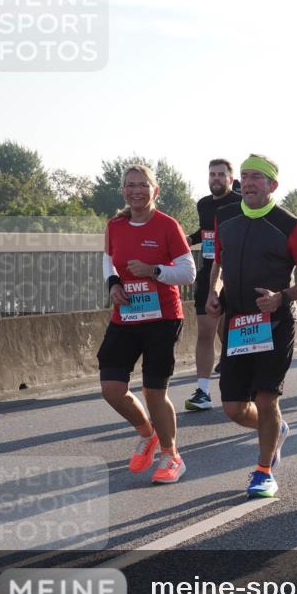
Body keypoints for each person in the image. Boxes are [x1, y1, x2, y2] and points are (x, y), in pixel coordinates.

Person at [206, 154, 297, 498]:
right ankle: (276, 429)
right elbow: (218, 265)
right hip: (237, 322)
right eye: (247, 176)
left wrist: (283, 296)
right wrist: (214, 293)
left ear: (272, 186)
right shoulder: (225, 217)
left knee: (266, 398)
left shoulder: (290, 225)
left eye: (258, 178)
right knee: (234, 408)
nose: (249, 183)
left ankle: (264, 471)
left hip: (275, 322)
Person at [98, 164, 196, 484]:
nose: (136, 190)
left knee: (154, 391)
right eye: (130, 185)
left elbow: (188, 272)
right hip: (126, 315)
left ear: (155, 191)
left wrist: (154, 271)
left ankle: (171, 455)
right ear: (123, 190)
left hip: (162, 318)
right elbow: (109, 261)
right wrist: (113, 284)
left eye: (142, 185)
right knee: (112, 389)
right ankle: (147, 433)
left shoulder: (167, 226)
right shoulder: (115, 225)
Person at [185, 159, 241, 412]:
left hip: (237, 275)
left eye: (221, 175)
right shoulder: (204, 204)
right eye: (212, 174)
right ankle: (203, 392)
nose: (215, 178)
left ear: (231, 179)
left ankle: (240, 383)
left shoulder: (241, 203)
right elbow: (208, 232)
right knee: (206, 332)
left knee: (233, 333)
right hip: (209, 273)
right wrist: (189, 238)